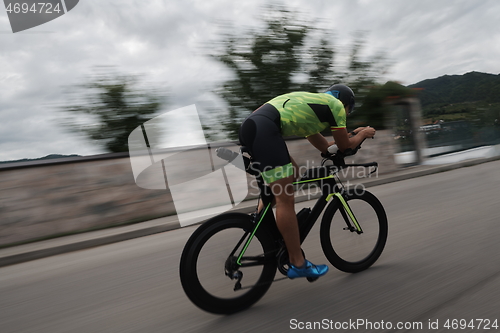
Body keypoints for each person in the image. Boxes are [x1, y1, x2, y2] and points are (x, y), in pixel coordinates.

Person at [238, 84, 376, 279]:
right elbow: (344, 146)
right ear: (345, 103)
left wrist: (351, 134)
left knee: (292, 173)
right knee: (285, 197)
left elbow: (327, 148)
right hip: (264, 129)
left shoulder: (311, 110)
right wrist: (363, 134)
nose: (346, 114)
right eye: (349, 110)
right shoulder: (335, 105)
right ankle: (298, 262)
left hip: (251, 127)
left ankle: (260, 224)